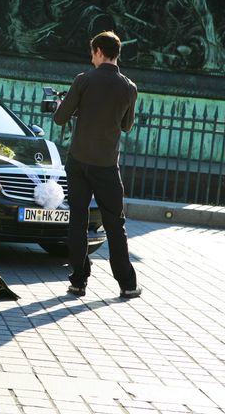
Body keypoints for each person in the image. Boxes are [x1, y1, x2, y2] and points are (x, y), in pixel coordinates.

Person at [53, 30, 141, 299]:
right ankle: (126, 284)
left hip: (78, 161)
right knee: (115, 224)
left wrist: (64, 105)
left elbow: (60, 118)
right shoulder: (129, 87)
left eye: (93, 53)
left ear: (100, 52)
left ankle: (78, 281)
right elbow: (126, 126)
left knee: (77, 220)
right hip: (106, 165)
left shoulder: (83, 80)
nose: (91, 58)